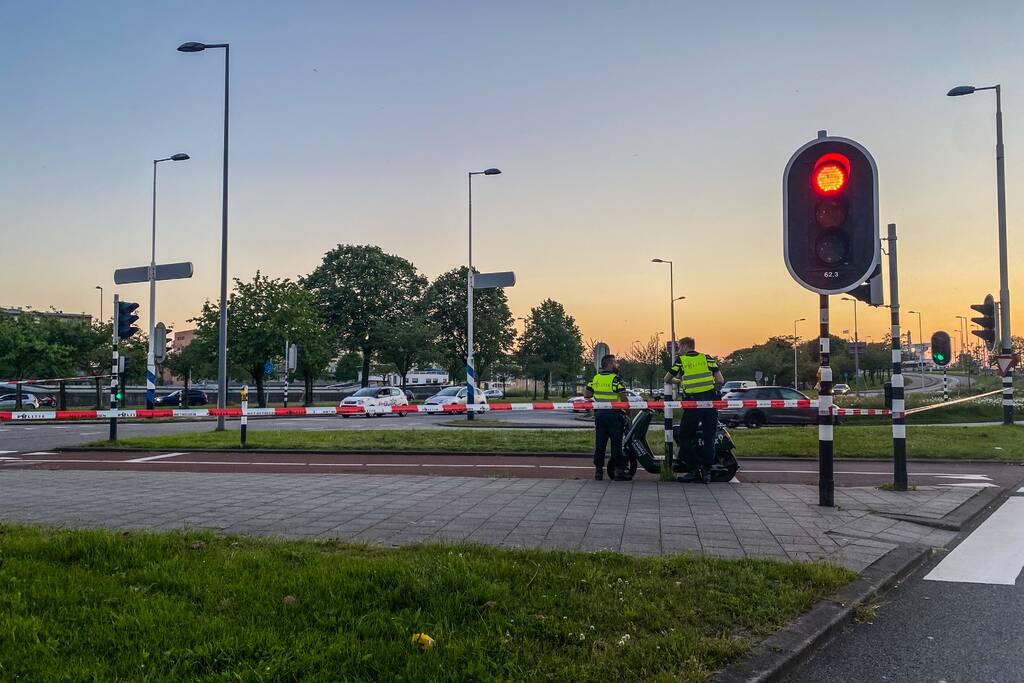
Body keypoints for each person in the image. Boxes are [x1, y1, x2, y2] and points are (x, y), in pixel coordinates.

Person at [664, 337, 725, 484]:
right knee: (709, 436)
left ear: (686, 346)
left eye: (679, 347)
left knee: (684, 435)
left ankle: (694, 468)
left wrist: (681, 381)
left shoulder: (681, 360)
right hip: (710, 403)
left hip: (693, 404)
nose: (678, 350)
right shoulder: (707, 358)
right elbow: (720, 380)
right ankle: (707, 471)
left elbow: (667, 378)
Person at [585, 354, 630, 481]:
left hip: (600, 415)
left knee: (600, 443)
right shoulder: (616, 379)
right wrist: (628, 414)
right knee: (616, 444)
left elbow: (587, 394)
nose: (617, 365)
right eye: (616, 363)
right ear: (610, 365)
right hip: (614, 415)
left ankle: (598, 471)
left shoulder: (595, 378)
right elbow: (624, 399)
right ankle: (618, 471)